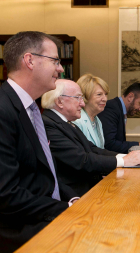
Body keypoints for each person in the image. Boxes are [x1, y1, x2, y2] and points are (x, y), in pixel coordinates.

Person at [0, 31, 79, 252]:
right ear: (30, 60)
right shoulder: (4, 110)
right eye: (55, 61)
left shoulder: (32, 109)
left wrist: (72, 198)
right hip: (20, 229)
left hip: (41, 213)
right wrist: (65, 208)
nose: (61, 69)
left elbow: (45, 174)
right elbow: (6, 194)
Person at [42, 79, 140, 196]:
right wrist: (124, 160)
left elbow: (92, 149)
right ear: (59, 102)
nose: (82, 103)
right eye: (78, 98)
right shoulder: (49, 124)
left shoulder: (66, 123)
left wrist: (126, 157)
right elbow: (81, 160)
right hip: (74, 195)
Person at [98, 82, 140, 153]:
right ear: (130, 97)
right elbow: (109, 144)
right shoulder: (111, 108)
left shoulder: (120, 109)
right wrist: (139, 144)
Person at [73, 73, 108, 148]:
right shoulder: (77, 121)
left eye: (105, 94)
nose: (105, 99)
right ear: (85, 96)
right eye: (99, 94)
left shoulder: (97, 120)